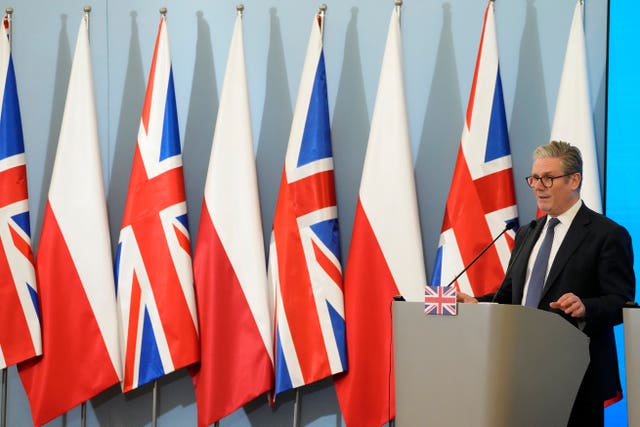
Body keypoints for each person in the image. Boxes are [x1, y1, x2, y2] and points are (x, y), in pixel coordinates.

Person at [457, 140, 635, 427]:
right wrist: (477, 303)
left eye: (548, 178)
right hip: (519, 371)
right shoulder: (528, 232)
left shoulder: (607, 234)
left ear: (574, 179)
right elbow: (510, 298)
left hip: (575, 376)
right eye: (535, 178)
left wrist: (585, 306)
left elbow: (621, 302)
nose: (539, 186)